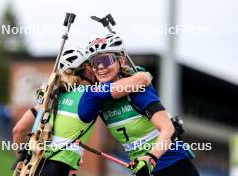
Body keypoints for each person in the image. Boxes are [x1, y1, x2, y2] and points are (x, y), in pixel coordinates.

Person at [12, 47, 152, 176]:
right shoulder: (90, 94)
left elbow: (18, 130)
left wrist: (20, 158)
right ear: (87, 70)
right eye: (92, 66)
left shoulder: (50, 98)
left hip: (30, 168)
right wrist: (139, 74)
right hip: (57, 170)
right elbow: (141, 80)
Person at [78, 33, 200, 176]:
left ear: (121, 60)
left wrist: (150, 159)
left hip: (174, 167)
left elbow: (168, 129)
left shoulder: (138, 91)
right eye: (95, 62)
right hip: (143, 170)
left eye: (106, 60)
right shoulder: (96, 96)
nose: (100, 67)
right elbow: (83, 113)